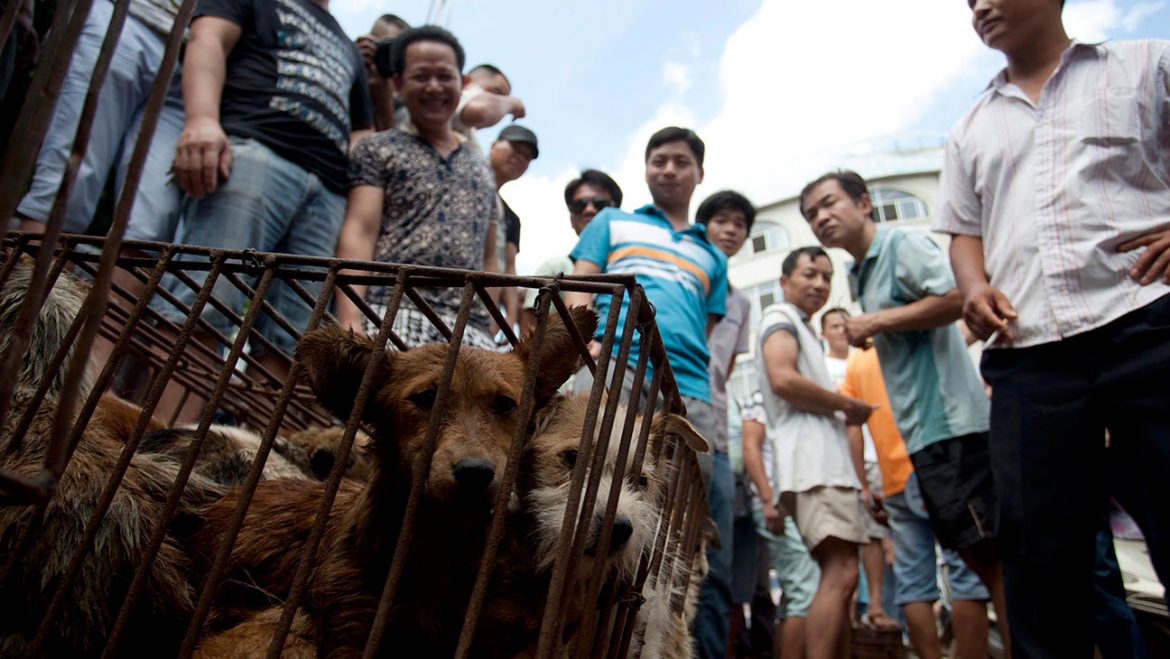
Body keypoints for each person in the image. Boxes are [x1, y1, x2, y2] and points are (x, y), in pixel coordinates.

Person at [933, 0, 1170, 654]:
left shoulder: (1148, 66)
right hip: (1029, 354)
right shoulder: (969, 129)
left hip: (1149, 325)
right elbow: (964, 232)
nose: (979, 5)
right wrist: (974, 287)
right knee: (1039, 556)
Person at [801, 170, 1011, 651]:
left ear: (864, 203)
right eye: (812, 214)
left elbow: (961, 296)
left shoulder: (900, 245)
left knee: (991, 561)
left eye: (829, 204)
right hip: (922, 438)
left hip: (954, 425)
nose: (821, 217)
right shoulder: (861, 272)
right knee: (970, 562)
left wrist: (877, 320)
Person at [157, 0, 372, 423]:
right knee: (206, 296)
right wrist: (201, 119)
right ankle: (160, 444)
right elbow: (208, 39)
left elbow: (362, 131)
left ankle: (250, 459)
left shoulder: (345, 44)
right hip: (255, 149)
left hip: (328, 189)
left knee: (291, 335)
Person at [563, 126, 728, 658]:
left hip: (691, 390)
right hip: (616, 364)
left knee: (679, 522)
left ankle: (657, 643)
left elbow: (705, 326)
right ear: (646, 168)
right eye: (659, 160)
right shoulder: (613, 222)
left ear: (699, 173)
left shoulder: (713, 255)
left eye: (681, 161)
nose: (669, 169)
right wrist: (574, 345)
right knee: (587, 493)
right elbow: (580, 286)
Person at [335, 26, 497, 349]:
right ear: (397, 84)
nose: (434, 86)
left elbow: (490, 258)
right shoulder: (378, 148)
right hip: (390, 313)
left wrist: (488, 327)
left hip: (470, 330)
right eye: (421, 76)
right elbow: (360, 231)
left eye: (444, 76)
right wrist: (350, 321)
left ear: (462, 83)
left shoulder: (482, 167)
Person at [756, 246, 874, 659]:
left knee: (842, 577)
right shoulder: (780, 317)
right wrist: (846, 404)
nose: (820, 283)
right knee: (840, 572)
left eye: (826, 276)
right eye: (810, 274)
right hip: (814, 466)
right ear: (785, 281)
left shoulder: (803, 327)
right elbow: (782, 378)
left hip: (822, 466)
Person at [841, 345, 993, 659]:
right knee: (966, 573)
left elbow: (852, 425)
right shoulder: (914, 343)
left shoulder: (857, 364)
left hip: (893, 479)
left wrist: (865, 484)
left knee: (913, 583)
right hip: (939, 464)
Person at [13, 0, 183, 242]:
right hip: (124, 16)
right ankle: (33, 279)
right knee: (65, 190)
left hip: (200, 54)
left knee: (150, 227)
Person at [696, 190, 754, 659]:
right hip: (667, 422)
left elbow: (726, 368)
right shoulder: (683, 276)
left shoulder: (742, 303)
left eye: (739, 223)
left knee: (717, 563)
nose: (731, 229)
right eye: (721, 220)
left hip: (715, 434)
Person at [820, 307, 896, 633]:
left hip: (874, 454)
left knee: (876, 534)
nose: (840, 330)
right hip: (834, 460)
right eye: (833, 325)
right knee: (844, 536)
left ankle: (877, 607)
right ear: (822, 333)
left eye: (844, 324)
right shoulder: (820, 368)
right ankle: (848, 613)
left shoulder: (868, 361)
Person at [741, 389, 820, 659]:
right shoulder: (760, 397)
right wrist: (767, 499)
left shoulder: (790, 400)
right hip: (774, 504)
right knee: (805, 589)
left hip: (790, 505)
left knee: (795, 593)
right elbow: (750, 447)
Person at [519, 169, 623, 336]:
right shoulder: (558, 267)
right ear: (571, 219)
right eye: (579, 205)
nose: (589, 210)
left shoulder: (629, 265)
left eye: (600, 204)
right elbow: (529, 328)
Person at [486, 124, 538, 336]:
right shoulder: (458, 184)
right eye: (515, 149)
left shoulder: (511, 217)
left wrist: (509, 317)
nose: (520, 159)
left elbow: (508, 268)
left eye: (527, 157)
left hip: (484, 306)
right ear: (493, 145)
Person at [355, 13, 408, 130]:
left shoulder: (406, 111)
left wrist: (384, 105)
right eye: (379, 45)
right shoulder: (348, 75)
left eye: (392, 52)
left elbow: (393, 147)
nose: (382, 56)